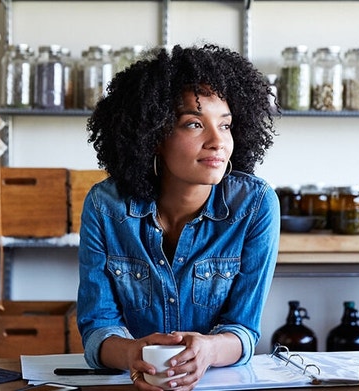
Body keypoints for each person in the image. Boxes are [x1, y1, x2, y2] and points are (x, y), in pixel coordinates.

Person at [77, 43, 280, 391]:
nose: (218, 141)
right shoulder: (104, 206)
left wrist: (209, 349)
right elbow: (98, 326)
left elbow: (243, 329)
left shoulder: (256, 206)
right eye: (194, 124)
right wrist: (131, 353)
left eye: (226, 125)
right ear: (154, 135)